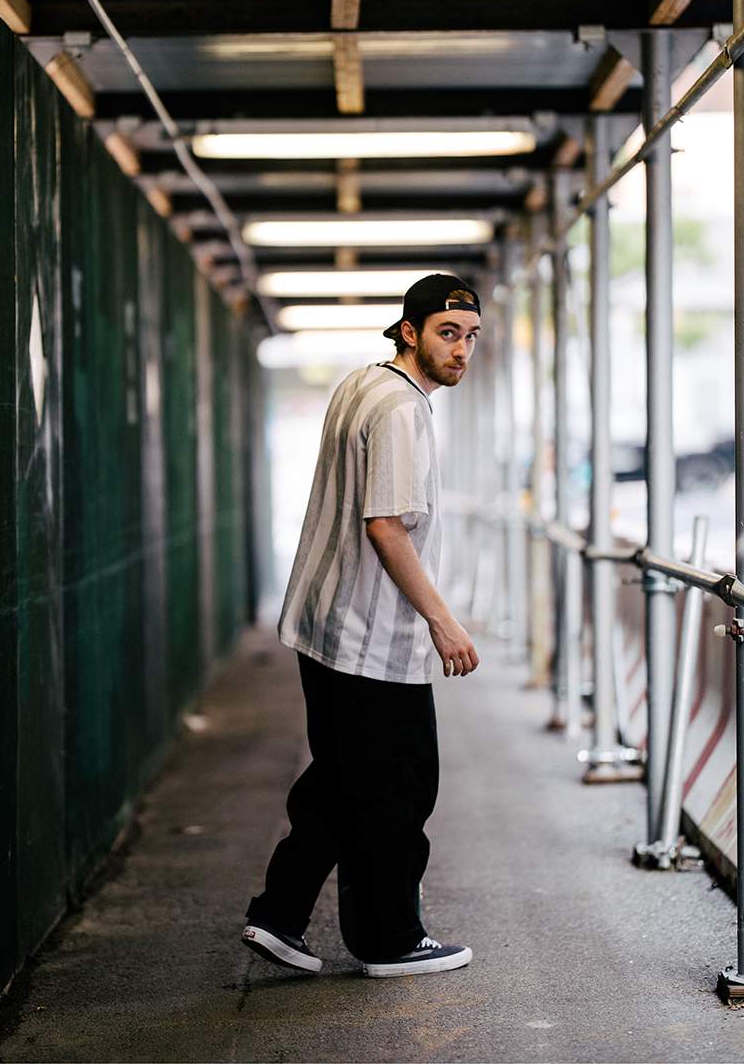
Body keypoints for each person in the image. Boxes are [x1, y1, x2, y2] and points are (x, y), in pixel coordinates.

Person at [243, 274, 481, 978]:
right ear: (409, 331)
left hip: (324, 623)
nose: (461, 349)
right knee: (400, 787)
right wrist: (443, 621)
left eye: (471, 336)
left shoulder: (360, 383)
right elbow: (386, 526)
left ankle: (279, 915)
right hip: (371, 637)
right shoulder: (403, 410)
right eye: (447, 333)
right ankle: (390, 939)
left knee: (345, 779)